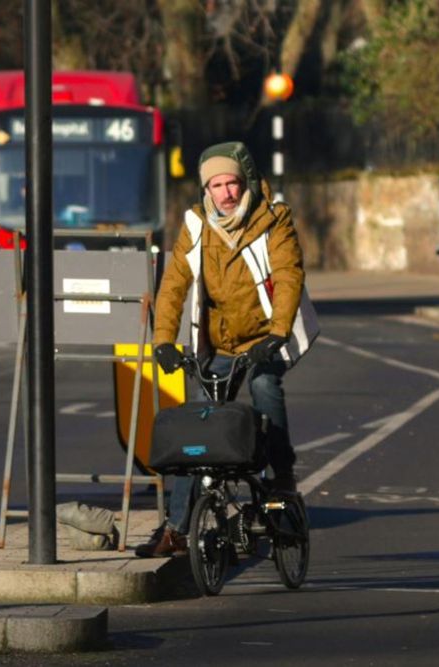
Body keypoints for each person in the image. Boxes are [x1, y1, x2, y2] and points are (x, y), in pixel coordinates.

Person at [136, 141, 305, 558]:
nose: (226, 193)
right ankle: (177, 527)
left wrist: (278, 333)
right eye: (216, 185)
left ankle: (281, 478)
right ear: (205, 190)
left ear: (244, 182)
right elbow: (174, 285)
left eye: (232, 183)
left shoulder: (274, 220)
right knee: (199, 426)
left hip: (263, 337)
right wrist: (164, 341)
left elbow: (288, 276)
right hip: (220, 340)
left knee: (266, 391)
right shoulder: (196, 225)